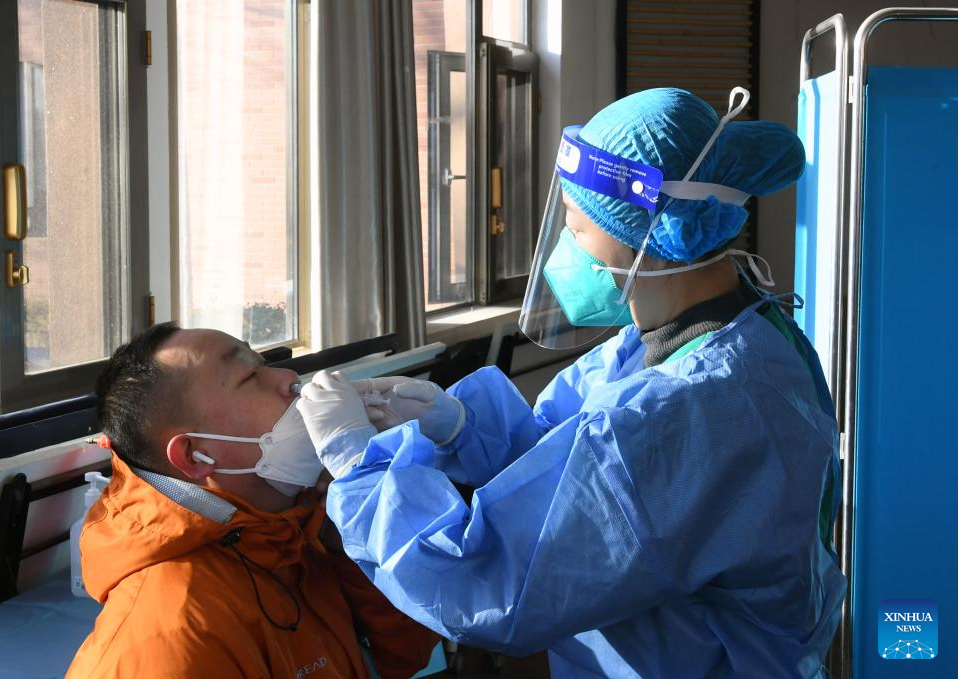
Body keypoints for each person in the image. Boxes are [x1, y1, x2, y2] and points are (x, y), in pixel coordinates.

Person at [297, 88, 846, 677]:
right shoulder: (720, 329)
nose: (565, 245)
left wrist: (360, 468)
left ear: (655, 236)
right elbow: (572, 461)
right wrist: (459, 427)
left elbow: (494, 583)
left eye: (579, 229)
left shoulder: (690, 407)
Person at [67, 322, 438, 679]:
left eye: (264, 364)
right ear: (195, 456)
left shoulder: (293, 526)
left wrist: (358, 539)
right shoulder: (172, 638)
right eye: (250, 377)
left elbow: (402, 656)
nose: (288, 378)